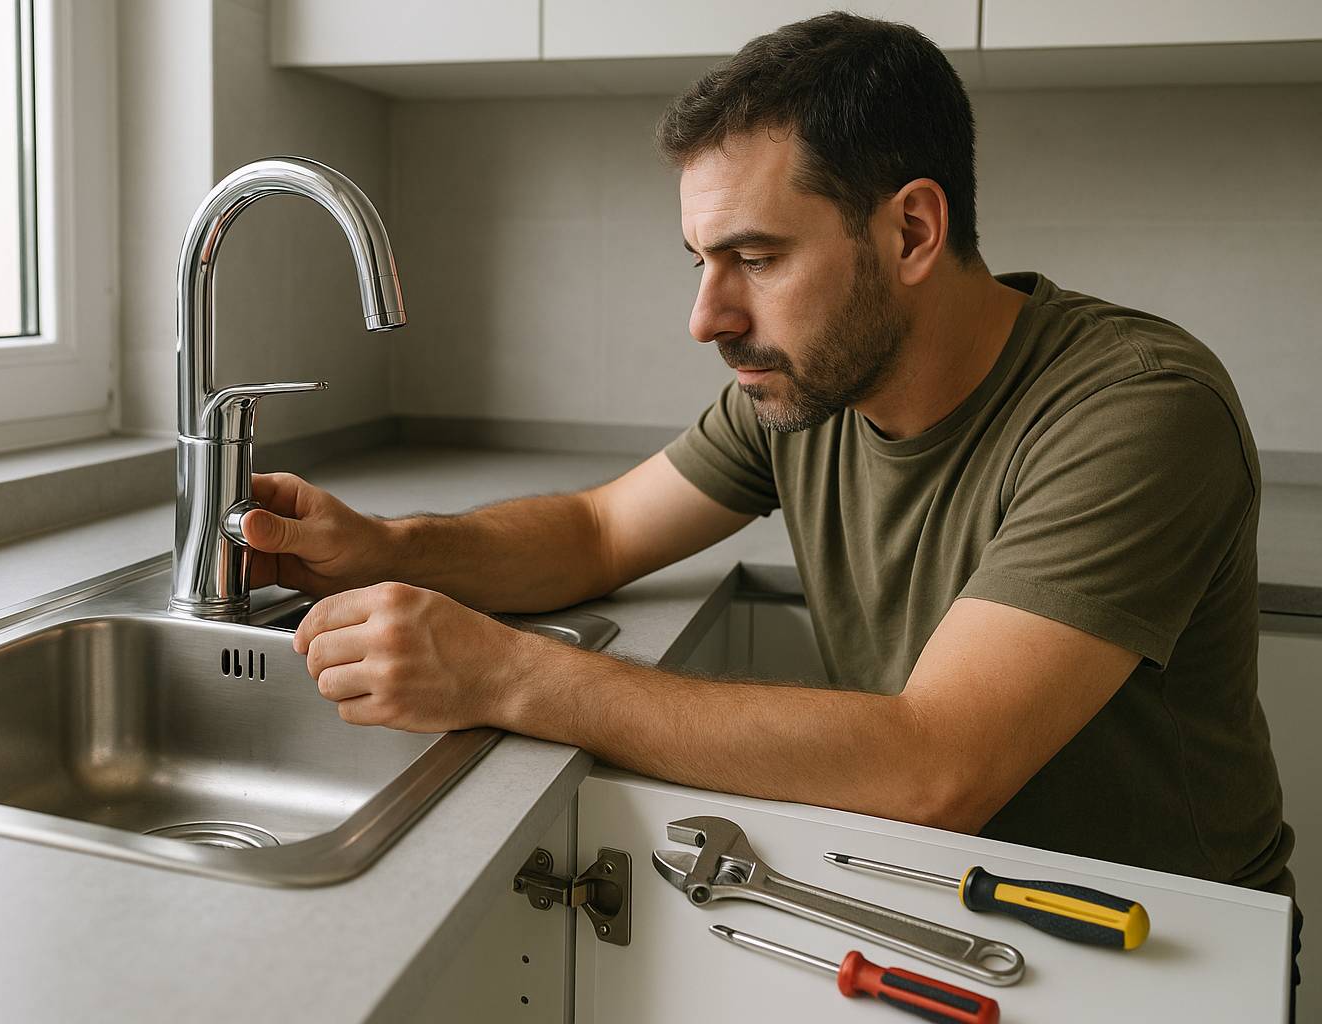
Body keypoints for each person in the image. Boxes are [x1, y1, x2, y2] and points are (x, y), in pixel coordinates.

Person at [242, 11, 1296, 953]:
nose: (708, 317)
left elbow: (936, 766)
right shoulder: (811, 389)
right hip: (949, 900)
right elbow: (601, 529)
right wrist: (386, 544)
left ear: (913, 232)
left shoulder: (1137, 407)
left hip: (1157, 942)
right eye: (700, 259)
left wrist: (512, 676)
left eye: (756, 256)